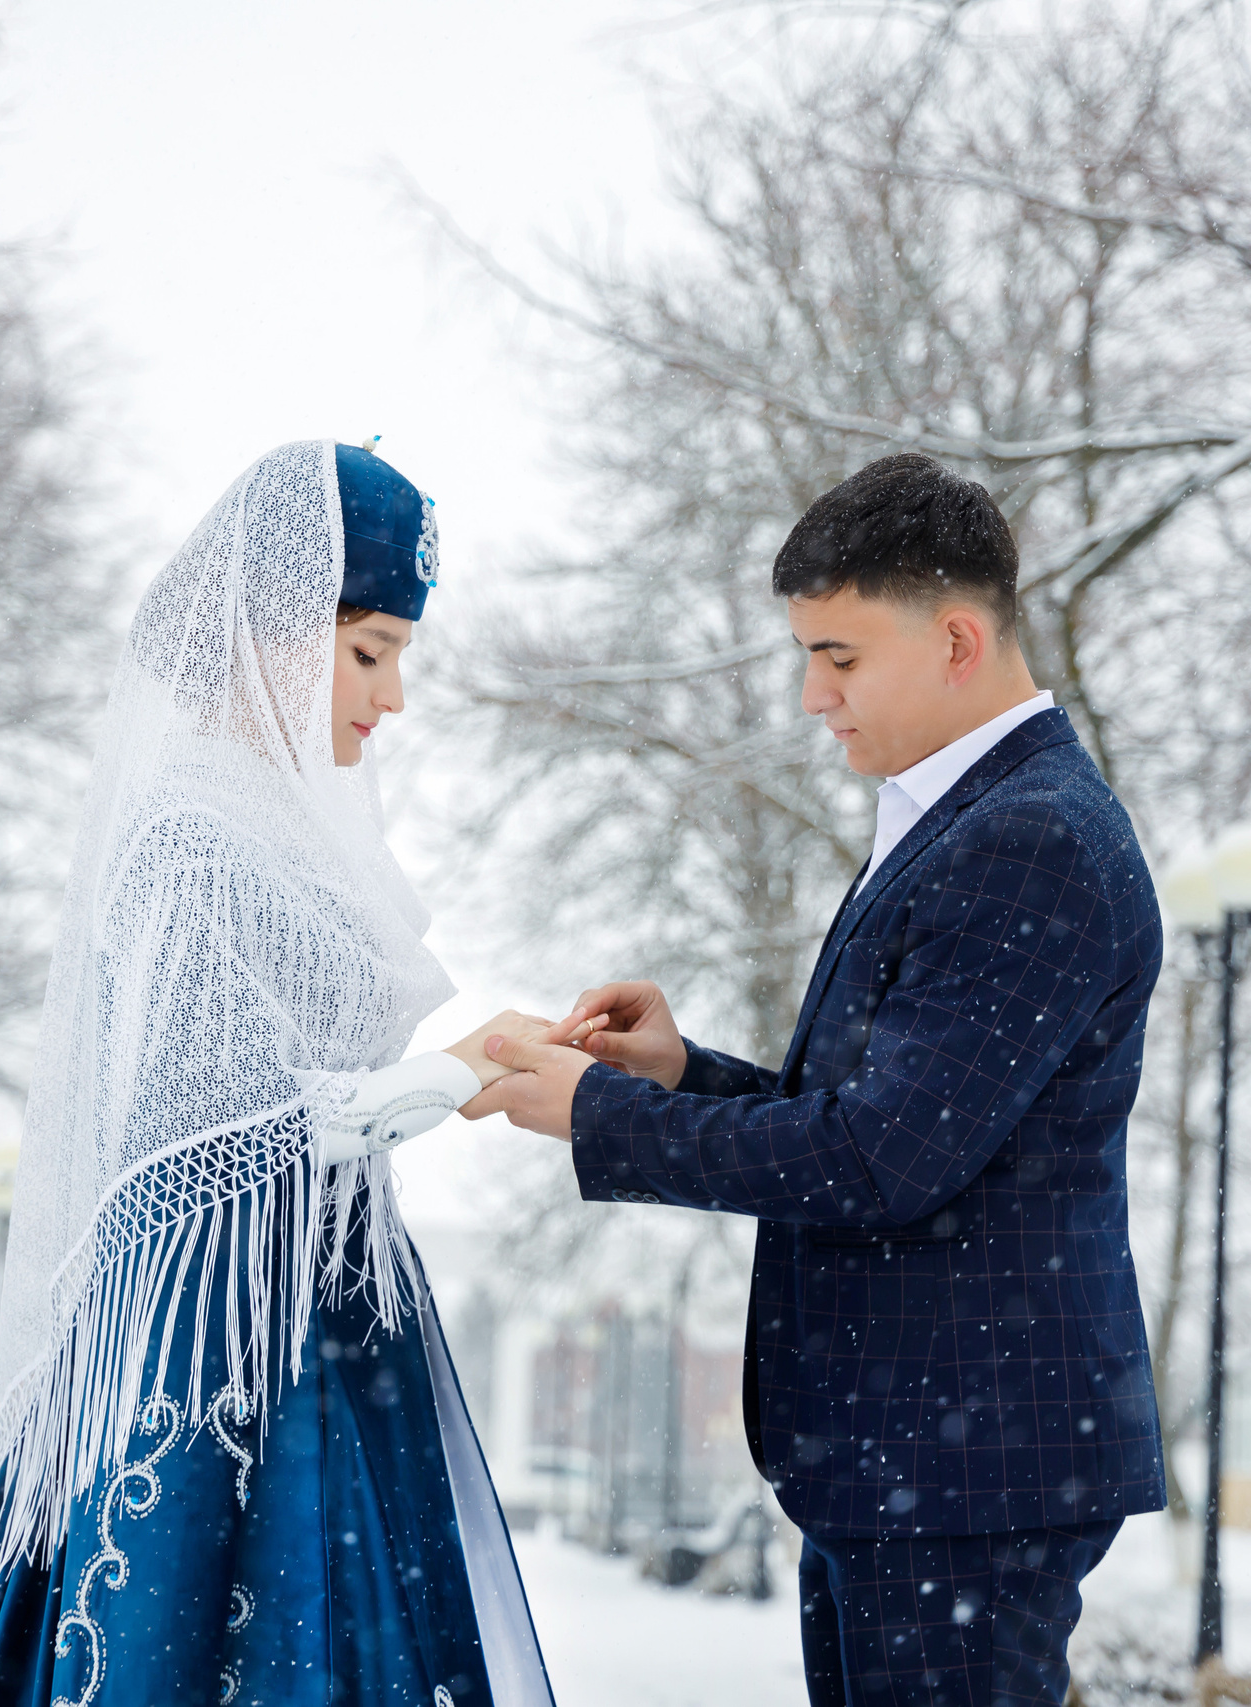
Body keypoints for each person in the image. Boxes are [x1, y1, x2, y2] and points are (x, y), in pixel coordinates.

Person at [472, 454, 1166, 1706]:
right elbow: (886, 1124)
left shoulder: (1030, 839)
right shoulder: (964, 820)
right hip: (920, 1473)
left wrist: (604, 1119)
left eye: (838, 656)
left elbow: (875, 1160)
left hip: (964, 1483)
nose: (810, 694)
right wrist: (676, 1076)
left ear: (957, 639)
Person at [0, 440, 555, 1707]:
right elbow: (198, 1137)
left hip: (316, 1330)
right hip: (218, 1360)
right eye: (371, 653)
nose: (393, 698)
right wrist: (444, 1077)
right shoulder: (195, 832)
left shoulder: (265, 818)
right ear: (278, 635)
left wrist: (457, 1070)